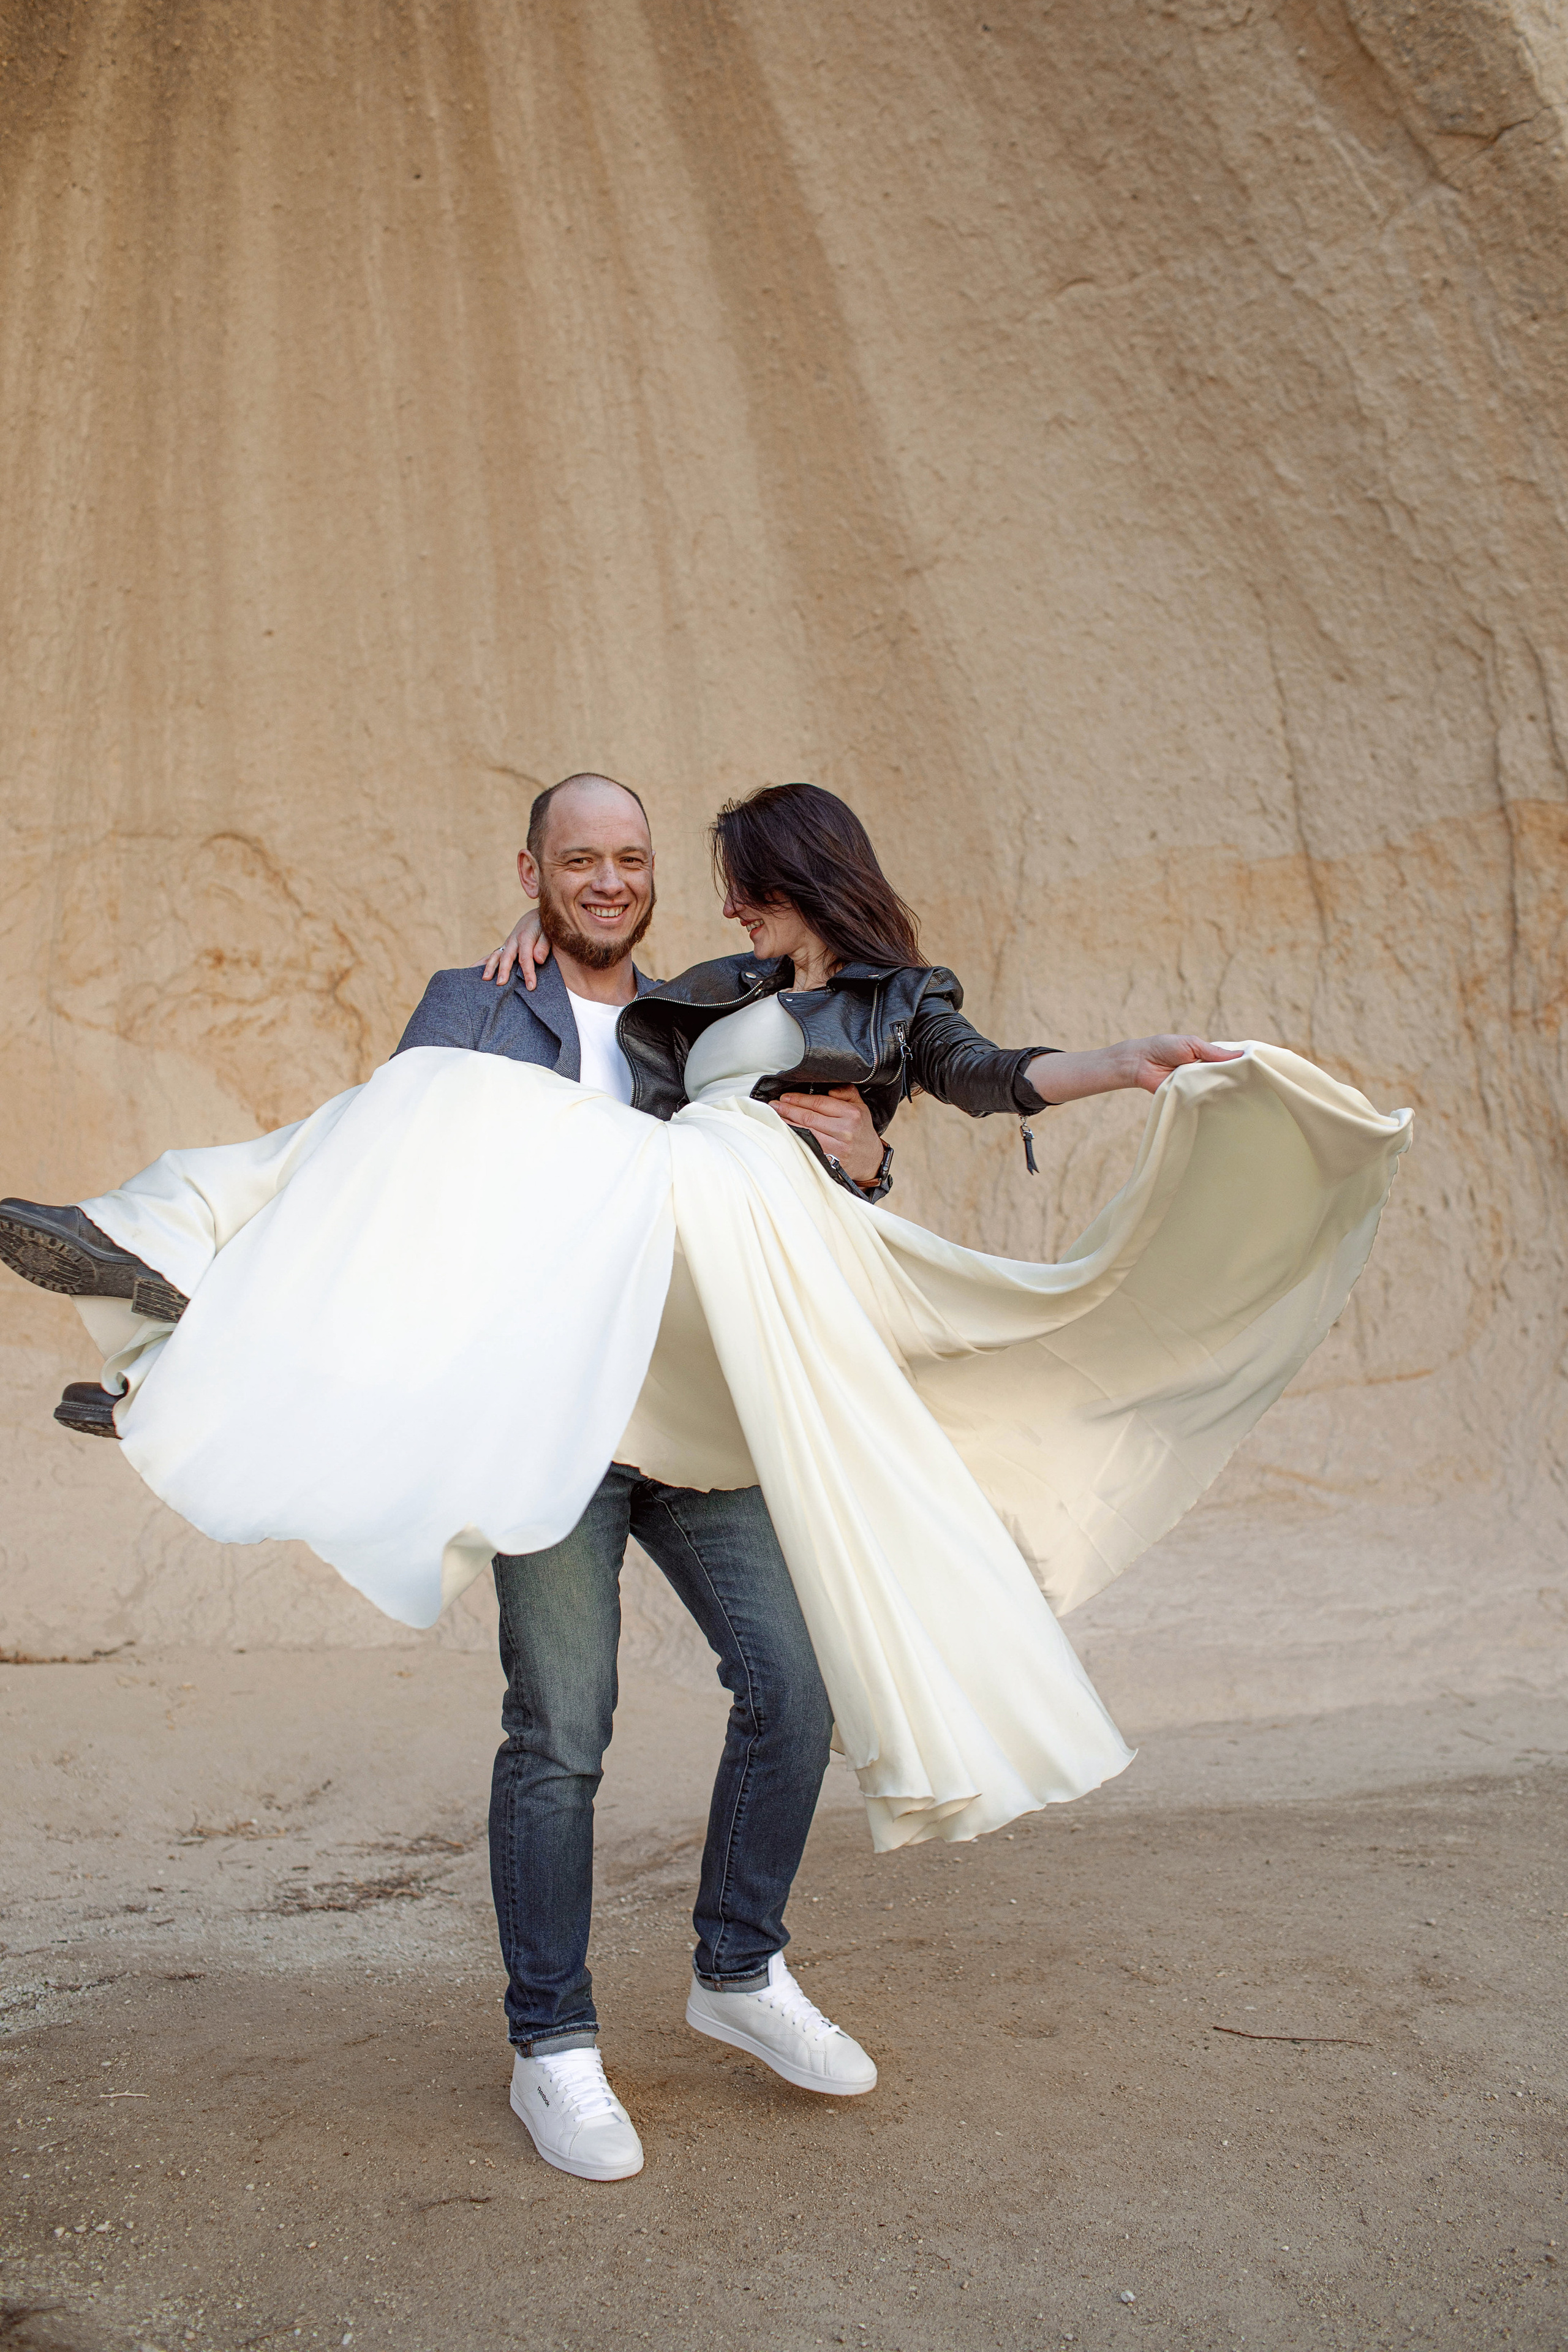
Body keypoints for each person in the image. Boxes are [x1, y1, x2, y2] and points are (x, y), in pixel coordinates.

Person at [0, 775, 1412, 2185]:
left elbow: (953, 1085)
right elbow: (386, 1215)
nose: (629, 885)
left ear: (756, 883)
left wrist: (910, 1146)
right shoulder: (524, 1001)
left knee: (793, 1685)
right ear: (533, 873)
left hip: (703, 1403)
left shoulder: (746, 1004)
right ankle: (552, 2046)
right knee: (560, 1725)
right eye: (579, 863)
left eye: (644, 863)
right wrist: (522, 969)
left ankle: (738, 1969)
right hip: (557, 1421)